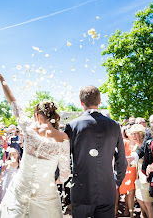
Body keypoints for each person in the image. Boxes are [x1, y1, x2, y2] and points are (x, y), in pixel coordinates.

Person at [0, 70, 70, 218]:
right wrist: (54, 182)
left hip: (20, 189)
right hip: (46, 194)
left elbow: (13, 102)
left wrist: (1, 78)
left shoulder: (29, 127)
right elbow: (65, 174)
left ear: (36, 115)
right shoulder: (62, 138)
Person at [64, 85, 128, 218]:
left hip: (81, 189)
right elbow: (122, 160)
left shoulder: (72, 125)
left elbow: (65, 159)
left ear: (81, 102)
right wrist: (116, 181)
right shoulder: (114, 125)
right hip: (107, 188)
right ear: (99, 101)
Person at [119, 124, 144, 218]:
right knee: (126, 191)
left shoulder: (139, 144)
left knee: (133, 191)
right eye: (130, 133)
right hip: (126, 168)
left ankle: (131, 212)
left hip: (135, 169)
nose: (132, 135)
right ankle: (126, 208)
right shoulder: (125, 142)